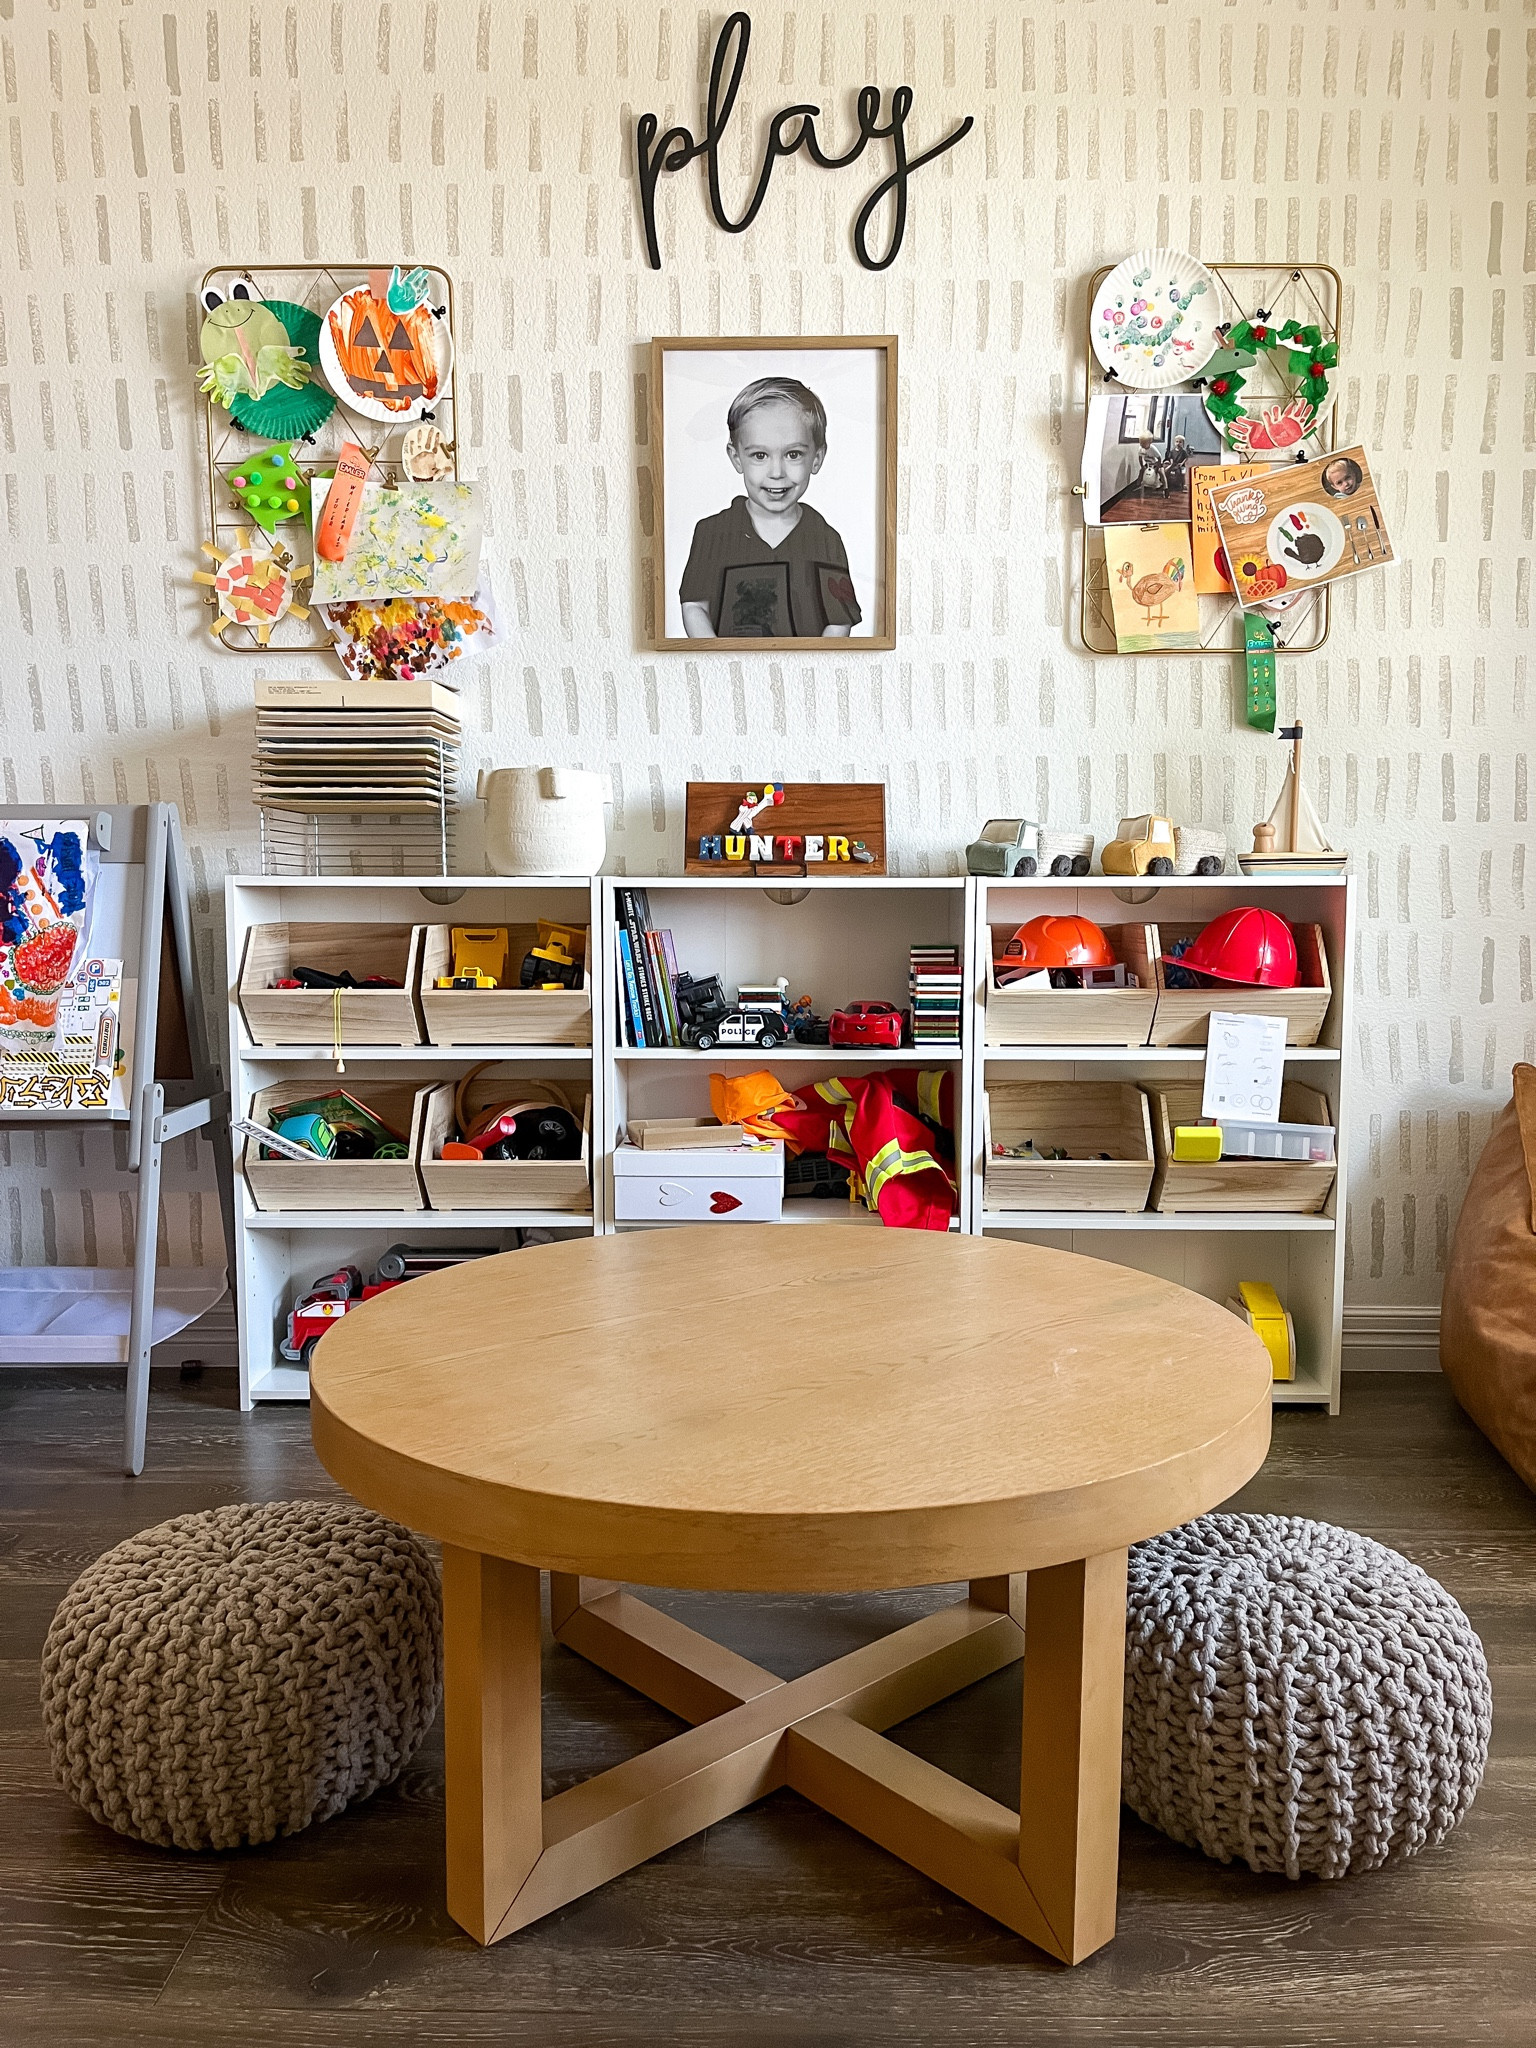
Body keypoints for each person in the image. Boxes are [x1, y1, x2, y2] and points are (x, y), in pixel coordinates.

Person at [679, 376, 861, 638]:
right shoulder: (712, 534)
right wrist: (715, 656)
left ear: (817, 458)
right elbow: (695, 606)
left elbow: (838, 621)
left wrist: (814, 661)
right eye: (760, 455)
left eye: (793, 454)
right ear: (736, 457)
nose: (777, 472)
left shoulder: (825, 540)